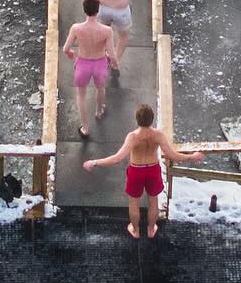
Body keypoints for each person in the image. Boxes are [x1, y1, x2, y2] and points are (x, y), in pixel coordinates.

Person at [83, 102, 203, 239]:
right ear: (152, 119)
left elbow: (117, 158)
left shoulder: (133, 137)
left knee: (134, 203)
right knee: (153, 201)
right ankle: (151, 229)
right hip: (153, 170)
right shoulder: (158, 135)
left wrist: (94, 162)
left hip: (136, 171)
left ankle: (135, 230)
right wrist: (192, 157)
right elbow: (172, 155)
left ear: (137, 119)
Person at [62, 0, 115, 139]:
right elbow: (111, 52)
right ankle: (98, 111)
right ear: (98, 11)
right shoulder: (106, 31)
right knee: (100, 88)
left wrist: (70, 53)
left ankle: (85, 127)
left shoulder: (76, 28)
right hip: (99, 63)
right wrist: (113, 61)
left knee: (81, 95)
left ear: (84, 10)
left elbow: (65, 48)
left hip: (83, 64)